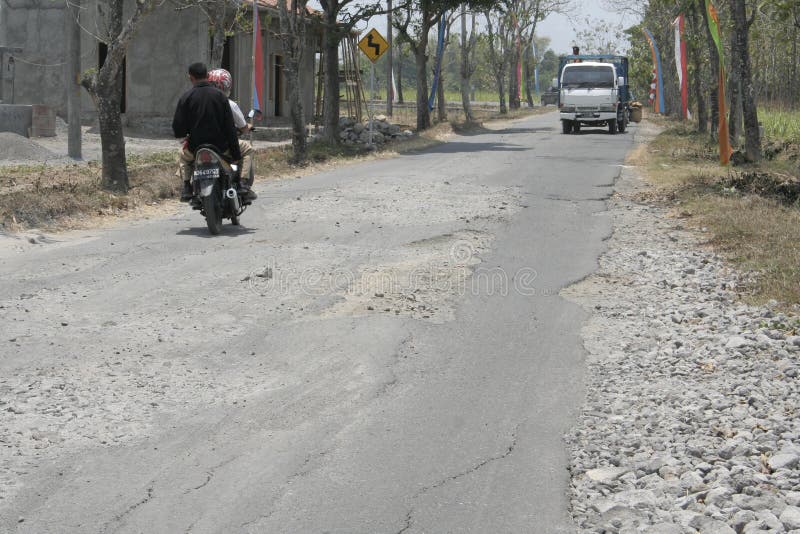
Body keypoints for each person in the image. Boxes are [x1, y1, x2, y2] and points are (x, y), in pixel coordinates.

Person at [172, 62, 242, 202]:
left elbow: (178, 128)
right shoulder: (221, 97)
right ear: (208, 76)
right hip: (221, 148)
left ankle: (186, 186)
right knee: (242, 155)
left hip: (195, 147)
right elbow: (230, 128)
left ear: (190, 77)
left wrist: (186, 135)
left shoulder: (186, 97)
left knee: (183, 157)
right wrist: (235, 154)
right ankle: (239, 182)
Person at [207, 68, 257, 201]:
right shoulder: (229, 104)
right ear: (227, 85)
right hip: (223, 145)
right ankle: (243, 183)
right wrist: (248, 127)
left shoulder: (200, 101)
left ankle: (186, 185)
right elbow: (243, 127)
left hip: (201, 144)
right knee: (247, 149)